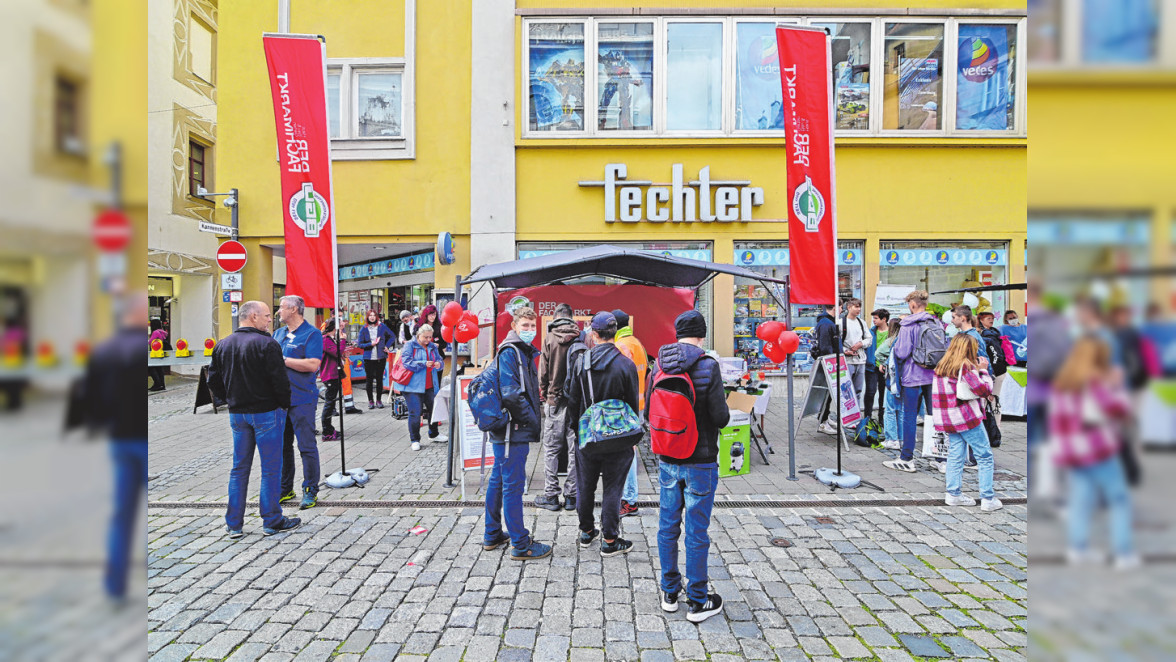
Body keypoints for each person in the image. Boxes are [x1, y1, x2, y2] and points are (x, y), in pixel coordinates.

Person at [647, 310, 729, 622]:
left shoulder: (659, 364)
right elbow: (720, 417)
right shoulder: (709, 365)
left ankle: (669, 592)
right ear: (702, 334)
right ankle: (697, 600)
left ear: (677, 332)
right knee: (697, 531)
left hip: (668, 458)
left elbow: (649, 411)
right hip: (701, 459)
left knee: (668, 526)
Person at [207, 301, 302, 538]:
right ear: (253, 317)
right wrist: (283, 405)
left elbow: (213, 381)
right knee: (271, 468)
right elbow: (280, 382)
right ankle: (271, 520)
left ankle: (234, 524)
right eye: (267, 316)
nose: (270, 319)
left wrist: (230, 398)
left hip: (238, 414)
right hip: (266, 412)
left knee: (239, 468)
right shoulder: (267, 344)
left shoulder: (222, 345)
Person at [1049, 337, 1139, 569]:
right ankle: (1123, 552)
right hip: (1098, 448)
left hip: (1072, 451)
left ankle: (1078, 548)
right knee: (1119, 499)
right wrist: (1117, 386)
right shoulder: (1096, 381)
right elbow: (1119, 410)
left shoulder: (1063, 382)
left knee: (1080, 500)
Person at [85, 294, 151, 599]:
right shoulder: (141, 349)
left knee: (122, 511)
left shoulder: (104, 349)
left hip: (118, 438)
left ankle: (115, 581)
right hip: (140, 437)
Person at [567, 311, 640, 558]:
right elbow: (632, 405)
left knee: (585, 485)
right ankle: (610, 539)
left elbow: (572, 400)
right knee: (613, 488)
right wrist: (632, 438)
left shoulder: (581, 362)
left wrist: (576, 433)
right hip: (618, 437)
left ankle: (587, 531)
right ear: (615, 333)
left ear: (594, 334)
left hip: (588, 436)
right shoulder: (626, 364)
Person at [483, 306, 552, 560]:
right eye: (525, 326)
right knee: (513, 485)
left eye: (533, 326)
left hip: (507, 429)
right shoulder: (511, 352)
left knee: (499, 480)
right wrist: (530, 418)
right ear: (514, 326)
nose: (530, 331)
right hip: (513, 429)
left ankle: (492, 534)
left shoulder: (516, 351)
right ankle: (521, 544)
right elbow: (512, 394)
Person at [932, 334, 1001, 511]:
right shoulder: (966, 366)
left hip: (948, 418)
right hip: (966, 417)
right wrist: (984, 370)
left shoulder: (942, 366)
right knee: (984, 455)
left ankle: (953, 494)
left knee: (955, 455)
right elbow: (984, 389)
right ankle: (987, 498)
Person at [273, 295, 323, 510]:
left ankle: (310, 489)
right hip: (279, 399)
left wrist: (283, 360)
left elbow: (313, 364)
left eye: (282, 308)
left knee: (306, 446)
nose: (278, 312)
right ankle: (285, 489)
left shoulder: (311, 334)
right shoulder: (278, 333)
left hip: (302, 398)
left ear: (293, 310)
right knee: (283, 447)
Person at [887, 290, 941, 472]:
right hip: (932, 374)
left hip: (912, 375)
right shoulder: (936, 322)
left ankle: (907, 458)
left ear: (912, 304)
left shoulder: (908, 325)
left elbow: (902, 352)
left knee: (909, 416)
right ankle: (940, 457)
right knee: (934, 417)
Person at [535, 303, 580, 512]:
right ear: (571, 317)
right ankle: (571, 496)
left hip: (554, 400)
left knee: (551, 449)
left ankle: (551, 496)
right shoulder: (580, 337)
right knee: (574, 449)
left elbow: (543, 371)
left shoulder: (549, 337)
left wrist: (544, 393)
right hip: (575, 401)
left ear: (555, 317)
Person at [613, 308, 649, 518]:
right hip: (639, 404)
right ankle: (628, 498)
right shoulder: (637, 343)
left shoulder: (621, 346)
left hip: (626, 406)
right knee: (630, 450)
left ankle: (630, 500)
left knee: (626, 452)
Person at [401, 324, 446, 451]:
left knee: (434, 409)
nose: (428, 340)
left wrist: (439, 364)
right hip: (412, 386)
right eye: (425, 337)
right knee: (415, 412)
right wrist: (423, 364)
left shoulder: (432, 346)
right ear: (418, 335)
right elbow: (406, 362)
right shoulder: (410, 345)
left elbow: (440, 361)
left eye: (430, 337)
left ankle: (434, 433)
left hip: (430, 384)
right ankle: (414, 439)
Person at [841, 298, 873, 415]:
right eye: (856, 306)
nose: (859, 309)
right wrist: (845, 351)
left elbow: (869, 339)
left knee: (858, 390)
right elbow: (837, 342)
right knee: (846, 391)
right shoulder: (841, 322)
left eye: (859, 306)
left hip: (860, 360)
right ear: (849, 307)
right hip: (847, 361)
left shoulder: (861, 322)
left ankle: (856, 414)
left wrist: (861, 344)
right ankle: (847, 415)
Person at [358, 309, 394, 409]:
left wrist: (387, 346)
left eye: (374, 315)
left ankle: (379, 400)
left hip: (380, 357)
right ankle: (370, 401)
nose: (372, 317)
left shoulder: (382, 327)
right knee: (369, 380)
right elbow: (360, 344)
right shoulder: (364, 329)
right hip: (368, 358)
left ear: (376, 317)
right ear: (367, 317)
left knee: (379, 380)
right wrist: (371, 344)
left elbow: (392, 336)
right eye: (370, 315)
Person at [813, 302, 840, 435]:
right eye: (841, 307)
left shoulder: (829, 322)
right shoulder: (825, 323)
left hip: (831, 361)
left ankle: (825, 417)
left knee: (828, 393)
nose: (842, 309)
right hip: (828, 363)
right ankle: (822, 422)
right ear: (835, 307)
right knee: (825, 393)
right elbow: (824, 346)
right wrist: (831, 361)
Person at [319, 319, 346, 449]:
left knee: (332, 402)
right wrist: (343, 341)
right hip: (329, 374)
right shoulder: (325, 339)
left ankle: (329, 428)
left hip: (334, 373)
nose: (342, 329)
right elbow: (336, 352)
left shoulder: (330, 339)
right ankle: (327, 431)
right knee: (329, 403)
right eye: (340, 327)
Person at [877, 318, 903, 449]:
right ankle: (901, 438)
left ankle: (892, 438)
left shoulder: (892, 341)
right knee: (902, 410)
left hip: (893, 379)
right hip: (905, 379)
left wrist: (884, 362)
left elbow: (878, 353)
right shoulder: (907, 340)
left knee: (891, 409)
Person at [864, 309, 889, 424]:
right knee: (870, 392)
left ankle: (882, 419)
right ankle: (867, 418)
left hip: (885, 367)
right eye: (873, 318)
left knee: (883, 394)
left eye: (876, 318)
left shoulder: (891, 332)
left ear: (884, 319)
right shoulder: (871, 332)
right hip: (872, 366)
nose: (873, 320)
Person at [148, 319, 168, 391]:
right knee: (159, 369)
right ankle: (162, 385)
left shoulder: (155, 332)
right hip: (161, 352)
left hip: (155, 353)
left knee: (151, 368)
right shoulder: (162, 332)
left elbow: (150, 342)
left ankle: (157, 384)